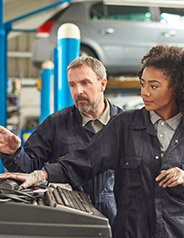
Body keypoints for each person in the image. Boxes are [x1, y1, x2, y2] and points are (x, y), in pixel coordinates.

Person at [2, 45, 184, 238]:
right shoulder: (124, 124)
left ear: (178, 88)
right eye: (142, 84)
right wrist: (36, 175)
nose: (144, 92)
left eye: (153, 86)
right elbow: (81, 162)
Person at [0, 56, 122, 224]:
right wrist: (13, 153)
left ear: (102, 84)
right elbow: (28, 167)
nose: (78, 91)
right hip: (70, 215)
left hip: (119, 219)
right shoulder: (56, 124)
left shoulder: (125, 124)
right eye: (72, 85)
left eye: (85, 83)